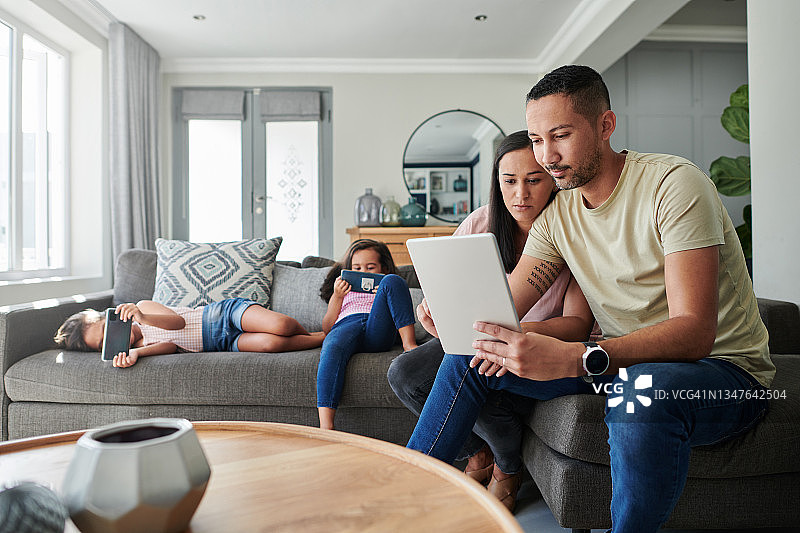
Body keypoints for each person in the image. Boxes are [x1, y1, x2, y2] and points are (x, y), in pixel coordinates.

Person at [407, 65, 774, 533]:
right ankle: (405, 501)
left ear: (605, 126)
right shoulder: (559, 215)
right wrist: (457, 318)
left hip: (722, 372)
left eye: (560, 135)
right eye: (538, 140)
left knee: (641, 392)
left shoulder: (674, 185)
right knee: (469, 359)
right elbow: (509, 302)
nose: (548, 156)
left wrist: (580, 358)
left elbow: (695, 332)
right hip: (617, 365)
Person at [388, 130, 596, 511]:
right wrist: (433, 311)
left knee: (467, 362)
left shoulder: (570, 229)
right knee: (405, 373)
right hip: (482, 338)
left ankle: (410, 492)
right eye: (509, 182)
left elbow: (578, 325)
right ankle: (487, 455)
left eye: (534, 181)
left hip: (545, 347)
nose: (521, 195)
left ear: (552, 178)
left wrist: (512, 334)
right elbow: (448, 294)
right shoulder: (482, 221)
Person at [317, 239, 418, 430]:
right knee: (331, 345)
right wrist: (337, 296)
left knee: (393, 281)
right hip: (347, 325)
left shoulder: (386, 284)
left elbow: (396, 303)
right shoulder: (343, 291)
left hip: (377, 327)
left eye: (370, 267)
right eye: (357, 268)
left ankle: (409, 345)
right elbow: (327, 328)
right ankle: (326, 427)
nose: (363, 272)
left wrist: (384, 291)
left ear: (382, 267)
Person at [54, 298, 325, 367]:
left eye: (107, 331)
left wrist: (143, 316)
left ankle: (316, 335)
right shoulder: (139, 347)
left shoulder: (143, 309)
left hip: (222, 315)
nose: (114, 338)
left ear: (110, 317)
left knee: (282, 327)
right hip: (221, 343)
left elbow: (177, 324)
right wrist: (135, 353)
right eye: (104, 344)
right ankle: (324, 339)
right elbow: (170, 346)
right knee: (270, 345)